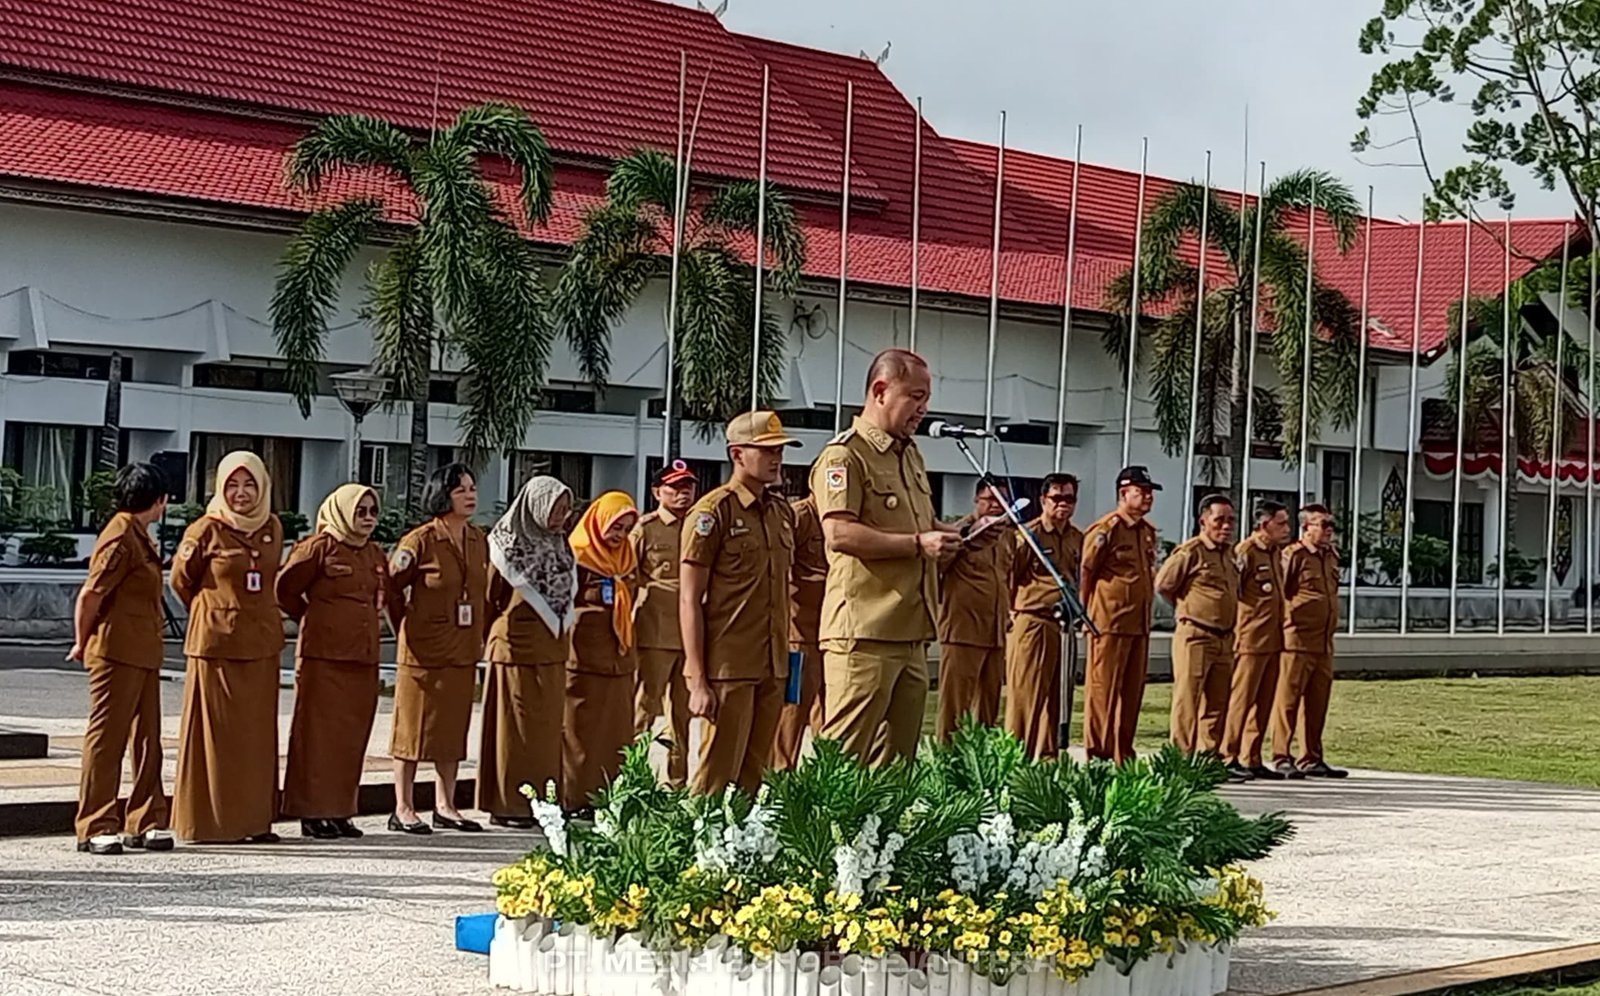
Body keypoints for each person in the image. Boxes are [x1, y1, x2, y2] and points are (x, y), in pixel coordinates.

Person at [811, 348, 959, 766]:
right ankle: (820, 832)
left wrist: (962, 534)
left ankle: (881, 834)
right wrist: (918, 544)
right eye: (915, 396)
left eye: (926, 398)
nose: (923, 409)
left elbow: (923, 525)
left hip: (911, 631)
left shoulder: (908, 453)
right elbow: (838, 532)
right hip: (864, 634)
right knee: (842, 761)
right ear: (880, 390)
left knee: (896, 767)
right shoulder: (845, 455)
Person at [681, 411, 800, 795]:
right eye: (766, 450)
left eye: (780, 449)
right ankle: (699, 851)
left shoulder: (782, 513)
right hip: (728, 666)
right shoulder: (713, 512)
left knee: (754, 776)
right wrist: (697, 677)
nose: (776, 457)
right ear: (737, 454)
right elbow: (689, 598)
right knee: (717, 776)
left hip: (773, 663)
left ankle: (744, 851)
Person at [170, 451, 285, 843]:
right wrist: (214, 611)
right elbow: (181, 581)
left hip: (261, 643)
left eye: (249, 484)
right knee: (214, 736)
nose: (241, 493)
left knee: (254, 737)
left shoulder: (271, 527)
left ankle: (253, 821)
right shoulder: (205, 529)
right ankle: (209, 823)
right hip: (216, 645)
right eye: (232, 485)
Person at [70, 462, 173, 856]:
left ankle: (146, 818)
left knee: (148, 738)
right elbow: (90, 596)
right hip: (115, 651)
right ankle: (96, 822)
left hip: (142, 650)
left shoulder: (138, 535)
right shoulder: (119, 537)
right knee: (108, 738)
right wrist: (82, 642)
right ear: (159, 500)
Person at [275, 483, 388, 840]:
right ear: (341, 512)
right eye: (360, 511)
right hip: (324, 656)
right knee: (317, 737)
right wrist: (313, 617)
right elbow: (286, 589)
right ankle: (312, 812)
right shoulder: (318, 547)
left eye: (372, 511)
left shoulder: (373, 553)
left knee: (351, 738)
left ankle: (340, 810)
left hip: (362, 656)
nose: (368, 518)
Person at [387, 463, 488, 834]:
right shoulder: (420, 540)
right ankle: (403, 806)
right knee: (412, 730)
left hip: (461, 649)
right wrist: (407, 624)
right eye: (461, 489)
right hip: (423, 651)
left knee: (451, 729)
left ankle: (445, 805)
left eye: (472, 487)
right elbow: (391, 587)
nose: (470, 495)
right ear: (442, 494)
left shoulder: (478, 539)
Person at [477, 475, 575, 827]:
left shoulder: (560, 544)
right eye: (555, 508)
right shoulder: (506, 545)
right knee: (514, 731)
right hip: (514, 648)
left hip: (552, 649)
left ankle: (545, 801)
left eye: (565, 509)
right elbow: (490, 596)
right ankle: (510, 806)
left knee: (546, 731)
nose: (561, 515)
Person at [562, 491, 640, 814]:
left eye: (625, 528)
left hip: (618, 660)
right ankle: (575, 798)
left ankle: (610, 798)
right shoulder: (577, 556)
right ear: (598, 522)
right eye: (615, 526)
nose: (619, 535)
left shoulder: (627, 558)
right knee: (580, 734)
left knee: (616, 734)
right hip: (583, 660)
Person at [1079, 465, 1160, 764]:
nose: (1148, 497)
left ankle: (1122, 753)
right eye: (1142, 492)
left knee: (1131, 692)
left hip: (1137, 623)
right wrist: (1084, 612)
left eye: (1150, 492)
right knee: (1103, 691)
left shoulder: (1147, 532)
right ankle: (1098, 754)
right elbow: (1087, 571)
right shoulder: (1107, 529)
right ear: (1124, 493)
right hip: (1109, 622)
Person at [1005, 474, 1083, 758]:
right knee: (1027, 697)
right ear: (1043, 500)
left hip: (1062, 625)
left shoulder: (1076, 537)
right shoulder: (1029, 535)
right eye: (1057, 498)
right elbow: (1010, 576)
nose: (1063, 504)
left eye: (1069, 498)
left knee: (1056, 697)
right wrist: (1013, 613)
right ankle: (1015, 759)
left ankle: (1047, 759)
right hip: (1033, 620)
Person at [1156, 494, 1240, 760]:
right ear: (1203, 521)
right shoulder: (1190, 552)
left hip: (1224, 638)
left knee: (1218, 701)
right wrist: (1187, 610)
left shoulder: (1229, 554)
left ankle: (1209, 756)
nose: (1226, 526)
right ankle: (1180, 757)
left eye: (1231, 521)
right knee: (1188, 699)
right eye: (1219, 521)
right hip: (1196, 635)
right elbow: (1164, 586)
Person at [631, 460, 697, 788]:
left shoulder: (701, 526)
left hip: (692, 637)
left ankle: (677, 782)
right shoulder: (645, 529)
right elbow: (627, 578)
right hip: (655, 632)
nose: (683, 494)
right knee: (644, 709)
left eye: (688, 487)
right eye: (675, 488)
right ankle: (631, 776)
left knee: (682, 717)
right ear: (658, 492)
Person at [1272, 504, 1348, 779]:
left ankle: (1311, 756)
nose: (1329, 530)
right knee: (1288, 701)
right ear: (1306, 528)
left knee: (1318, 702)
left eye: (1331, 525)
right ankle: (1281, 755)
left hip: (1323, 641)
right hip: (1297, 639)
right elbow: (1284, 592)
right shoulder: (1294, 555)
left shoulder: (1331, 556)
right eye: (1323, 524)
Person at [937, 481, 1013, 741]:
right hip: (963, 631)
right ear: (976, 500)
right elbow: (937, 569)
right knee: (955, 709)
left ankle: (980, 766)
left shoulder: (1006, 536)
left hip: (995, 634)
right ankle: (947, 764)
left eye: (1001, 500)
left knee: (987, 711)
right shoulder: (960, 533)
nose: (995, 505)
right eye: (989, 499)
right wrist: (967, 540)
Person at [1222, 501, 1291, 781]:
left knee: (1264, 701)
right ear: (1264, 525)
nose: (1287, 529)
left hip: (1273, 639)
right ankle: (1228, 756)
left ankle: (1252, 757)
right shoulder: (1246, 551)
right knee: (1241, 700)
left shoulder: (1276, 553)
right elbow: (1234, 590)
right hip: (1250, 638)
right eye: (1281, 523)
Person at [772, 492, 826, 770]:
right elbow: (779, 568)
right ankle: (779, 781)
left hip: (833, 633)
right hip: (799, 634)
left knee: (830, 717)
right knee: (791, 715)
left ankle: (824, 782)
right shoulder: (800, 516)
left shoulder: (846, 515)